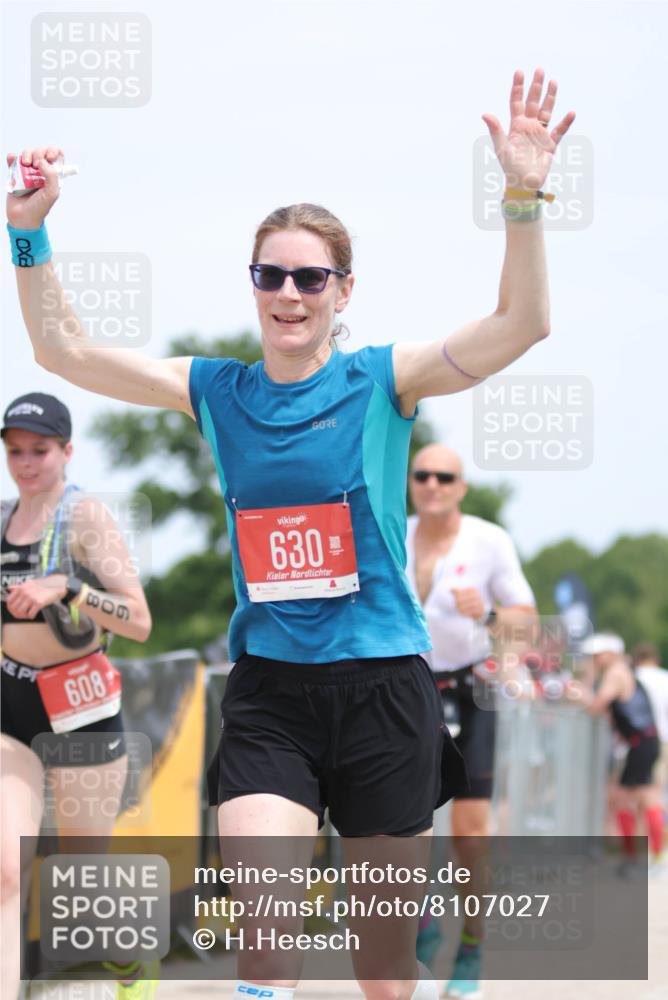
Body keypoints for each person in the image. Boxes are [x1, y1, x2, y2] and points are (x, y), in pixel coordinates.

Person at [6, 66, 575, 1000]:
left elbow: (524, 324)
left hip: (386, 692)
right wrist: (28, 233)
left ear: (342, 289)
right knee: (267, 943)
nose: (290, 293)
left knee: (383, 974)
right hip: (272, 694)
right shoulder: (217, 391)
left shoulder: (384, 381)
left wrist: (523, 196)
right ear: (255, 286)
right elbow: (61, 353)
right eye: (271, 275)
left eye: (311, 277)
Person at [0, 393, 153, 999]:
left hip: (81, 706)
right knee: (7, 871)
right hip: (12, 706)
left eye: (40, 451)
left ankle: (126, 965)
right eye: (15, 452)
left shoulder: (84, 516)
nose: (26, 463)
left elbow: (139, 620)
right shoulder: (3, 518)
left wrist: (68, 588)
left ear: (67, 451)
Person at [406, 444, 536, 998]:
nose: (432, 484)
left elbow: (527, 621)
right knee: (403, 824)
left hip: (473, 686)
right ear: (411, 482)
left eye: (445, 477)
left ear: (461, 487)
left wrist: (483, 612)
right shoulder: (395, 534)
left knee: (471, 834)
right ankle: (422, 922)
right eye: (422, 475)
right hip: (409, 688)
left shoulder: (488, 540)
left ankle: (473, 947)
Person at [583, 634, 663, 871]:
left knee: (626, 799)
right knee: (644, 798)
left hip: (640, 743)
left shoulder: (615, 673)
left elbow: (598, 705)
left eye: (597, 655)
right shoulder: (624, 671)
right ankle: (651, 856)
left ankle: (636, 857)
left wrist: (584, 691)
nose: (595, 660)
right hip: (643, 742)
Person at [631, 643, 668, 855]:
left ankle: (634, 851)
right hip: (661, 740)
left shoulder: (633, 677)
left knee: (629, 798)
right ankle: (656, 850)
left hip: (633, 743)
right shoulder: (665, 678)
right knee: (654, 795)